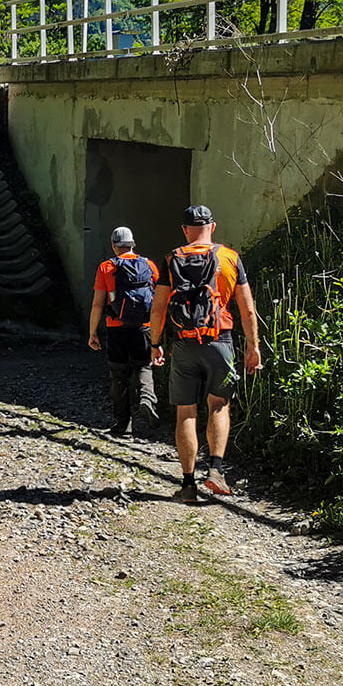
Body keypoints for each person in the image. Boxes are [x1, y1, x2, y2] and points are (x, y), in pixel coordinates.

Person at [147, 205, 263, 504]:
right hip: (220, 341)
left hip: (184, 344)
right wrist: (253, 346)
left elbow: (158, 308)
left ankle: (187, 484)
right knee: (218, 405)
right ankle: (216, 470)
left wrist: (155, 342)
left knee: (186, 411)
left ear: (185, 230)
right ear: (213, 226)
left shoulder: (172, 258)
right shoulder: (229, 258)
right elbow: (247, 309)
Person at [87, 226, 161, 438]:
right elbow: (157, 299)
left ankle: (123, 424)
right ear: (133, 244)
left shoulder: (106, 267)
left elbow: (97, 305)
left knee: (119, 374)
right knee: (145, 366)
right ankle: (147, 398)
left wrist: (93, 332)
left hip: (116, 327)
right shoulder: (149, 265)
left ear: (114, 245)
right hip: (144, 327)